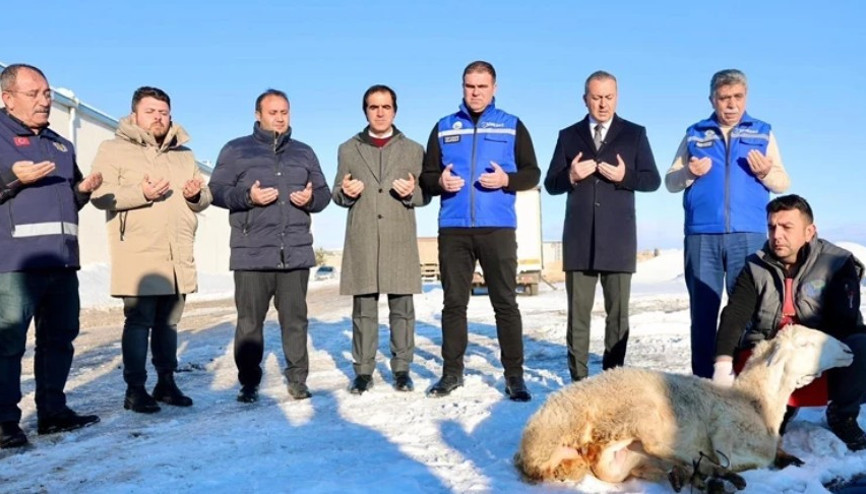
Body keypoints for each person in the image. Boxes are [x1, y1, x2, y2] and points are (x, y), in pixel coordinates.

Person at [419, 61, 540, 401]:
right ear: (462, 87)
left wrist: (507, 180)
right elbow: (426, 177)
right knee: (454, 304)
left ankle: (514, 377)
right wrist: (439, 181)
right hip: (454, 229)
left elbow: (533, 173)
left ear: (494, 88)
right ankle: (451, 373)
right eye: (470, 86)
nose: (475, 93)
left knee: (505, 303)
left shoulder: (512, 126)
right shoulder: (444, 127)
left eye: (482, 87)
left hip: (497, 228)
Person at [90, 87, 212, 414]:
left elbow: (202, 199)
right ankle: (135, 389)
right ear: (134, 116)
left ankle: (166, 383)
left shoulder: (183, 155)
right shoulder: (113, 149)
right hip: (139, 253)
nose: (158, 117)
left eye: (163, 112)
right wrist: (140, 192)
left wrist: (194, 196)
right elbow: (99, 194)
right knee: (139, 321)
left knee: (169, 323)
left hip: (177, 251)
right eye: (150, 111)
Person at [713, 194, 866, 451]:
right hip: (772, 345)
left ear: (809, 231)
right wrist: (722, 363)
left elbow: (844, 321)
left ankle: (843, 414)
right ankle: (780, 410)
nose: (777, 235)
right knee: (745, 358)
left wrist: (802, 347)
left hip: (817, 344)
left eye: (786, 227)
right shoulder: (755, 266)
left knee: (860, 347)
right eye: (772, 226)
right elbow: (735, 314)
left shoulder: (838, 262)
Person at [0, 64, 102, 449]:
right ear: (7, 98)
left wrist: (85, 190)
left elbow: (69, 199)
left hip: (62, 262)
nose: (45, 101)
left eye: (47, 94)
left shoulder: (61, 143)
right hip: (15, 263)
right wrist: (12, 179)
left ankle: (53, 412)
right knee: (8, 343)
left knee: (59, 339)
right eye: (35, 94)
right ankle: (5, 421)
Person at [665, 69, 791, 378]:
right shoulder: (695, 133)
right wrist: (689, 173)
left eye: (737, 97)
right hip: (701, 235)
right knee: (704, 313)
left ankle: (742, 382)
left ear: (746, 97)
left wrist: (765, 173)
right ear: (712, 100)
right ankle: (703, 384)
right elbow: (670, 181)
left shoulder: (762, 132)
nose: (731, 104)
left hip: (747, 236)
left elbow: (782, 182)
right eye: (724, 98)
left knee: (747, 313)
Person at [210, 89, 330, 403]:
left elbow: (323, 194)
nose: (279, 117)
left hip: (295, 252)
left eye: (284, 112)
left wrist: (310, 199)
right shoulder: (236, 150)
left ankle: (298, 379)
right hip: (251, 253)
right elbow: (217, 191)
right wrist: (247, 197)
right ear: (258, 114)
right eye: (273, 112)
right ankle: (248, 382)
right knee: (249, 323)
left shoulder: (304, 152)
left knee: (295, 321)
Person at [544, 71, 661, 382]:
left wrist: (626, 177)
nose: (603, 104)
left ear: (617, 97)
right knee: (578, 317)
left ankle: (612, 380)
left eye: (609, 97)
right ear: (585, 99)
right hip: (579, 240)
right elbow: (551, 184)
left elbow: (652, 181)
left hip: (618, 241)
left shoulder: (634, 134)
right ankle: (578, 380)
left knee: (617, 317)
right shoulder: (568, 136)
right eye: (596, 97)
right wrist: (570, 175)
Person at [332, 85, 427, 395]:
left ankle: (402, 369)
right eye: (374, 107)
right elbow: (337, 192)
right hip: (363, 236)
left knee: (402, 308)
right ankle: (363, 370)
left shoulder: (413, 149)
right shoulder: (348, 148)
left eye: (386, 106)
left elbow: (425, 193)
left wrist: (412, 192)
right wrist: (345, 193)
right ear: (366, 111)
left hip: (398, 236)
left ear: (395, 111)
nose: (380, 112)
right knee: (363, 310)